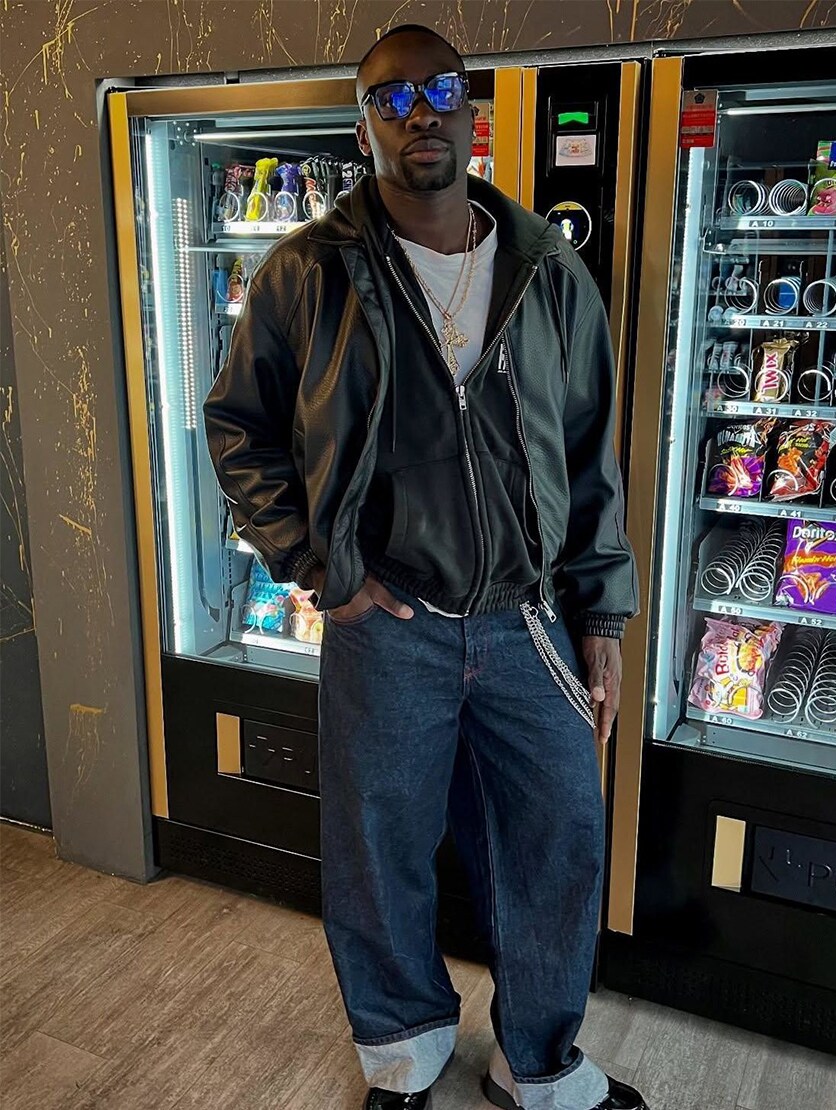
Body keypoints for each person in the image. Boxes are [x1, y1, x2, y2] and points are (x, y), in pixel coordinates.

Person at [203, 24, 642, 1110]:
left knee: (561, 838)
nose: (418, 113)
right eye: (390, 97)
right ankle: (403, 1047)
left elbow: (590, 456)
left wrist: (605, 618)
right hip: (385, 623)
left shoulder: (548, 272)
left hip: (527, 617)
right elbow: (238, 426)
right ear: (366, 125)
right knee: (377, 846)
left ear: (469, 108)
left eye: (438, 90)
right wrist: (319, 567)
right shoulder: (308, 273)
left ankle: (540, 1060)